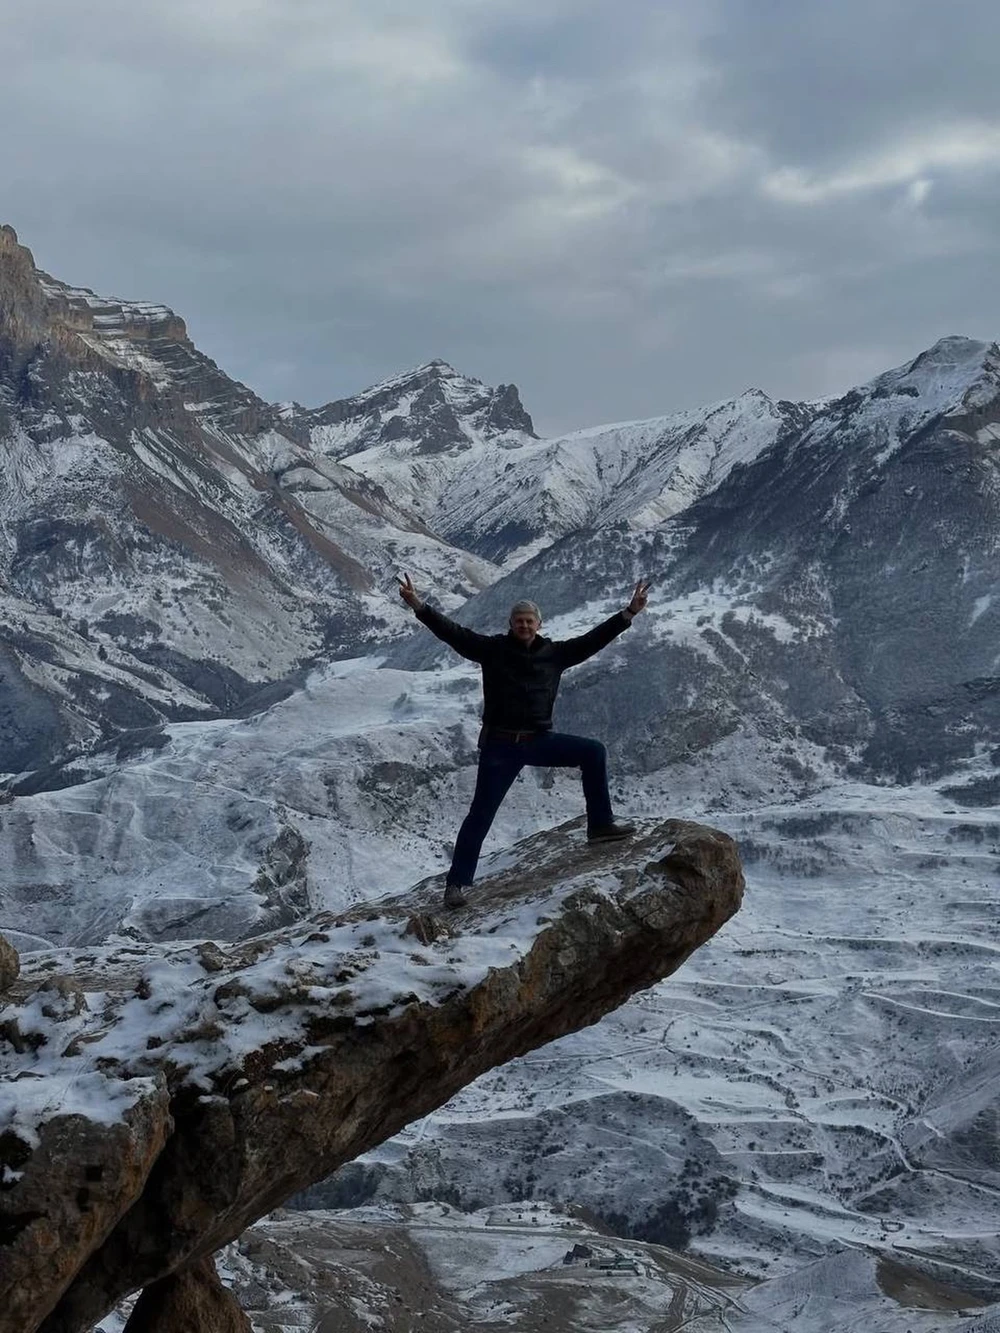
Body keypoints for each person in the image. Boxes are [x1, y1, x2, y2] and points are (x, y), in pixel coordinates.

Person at [398, 574, 651, 907]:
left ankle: (601, 825)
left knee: (593, 752)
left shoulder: (555, 654)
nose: (524, 625)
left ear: (539, 624)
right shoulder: (492, 650)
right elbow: (453, 633)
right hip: (500, 746)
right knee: (480, 815)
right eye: (519, 621)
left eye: (529, 621)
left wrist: (628, 613)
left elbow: (593, 640)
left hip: (538, 740)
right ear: (511, 624)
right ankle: (455, 885)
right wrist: (418, 606)